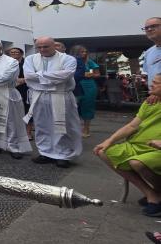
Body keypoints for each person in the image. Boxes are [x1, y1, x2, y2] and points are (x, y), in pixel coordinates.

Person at [94, 74, 161, 217]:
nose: (151, 85)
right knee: (102, 151)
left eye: (155, 83)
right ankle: (151, 193)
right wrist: (109, 140)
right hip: (137, 145)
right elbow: (132, 126)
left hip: (157, 150)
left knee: (137, 163)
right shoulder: (151, 102)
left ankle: (157, 194)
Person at [23, 36, 82, 168]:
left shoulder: (68, 59)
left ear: (54, 45)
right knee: (41, 125)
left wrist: (39, 75)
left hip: (60, 96)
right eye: (39, 47)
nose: (42, 49)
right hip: (39, 96)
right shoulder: (30, 59)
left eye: (45, 46)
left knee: (62, 126)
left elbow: (66, 76)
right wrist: (53, 76)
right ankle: (45, 152)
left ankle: (63, 155)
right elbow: (28, 76)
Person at [70, 45, 100, 137]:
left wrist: (87, 74)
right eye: (82, 52)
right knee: (73, 108)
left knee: (87, 106)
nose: (84, 53)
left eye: (85, 51)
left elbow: (97, 74)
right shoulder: (70, 61)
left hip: (89, 86)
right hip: (74, 86)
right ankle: (74, 129)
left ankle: (86, 128)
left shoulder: (89, 62)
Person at [7, 47, 32, 138]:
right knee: (13, 111)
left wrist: (24, 79)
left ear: (21, 54)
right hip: (11, 88)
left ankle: (28, 132)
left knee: (26, 110)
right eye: (12, 52)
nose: (14, 54)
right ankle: (15, 132)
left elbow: (32, 74)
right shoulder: (7, 63)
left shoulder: (27, 62)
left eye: (16, 52)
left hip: (24, 89)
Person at [143, 17, 161, 102]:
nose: (149, 29)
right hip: (155, 99)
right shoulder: (148, 52)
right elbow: (149, 75)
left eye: (154, 26)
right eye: (146, 28)